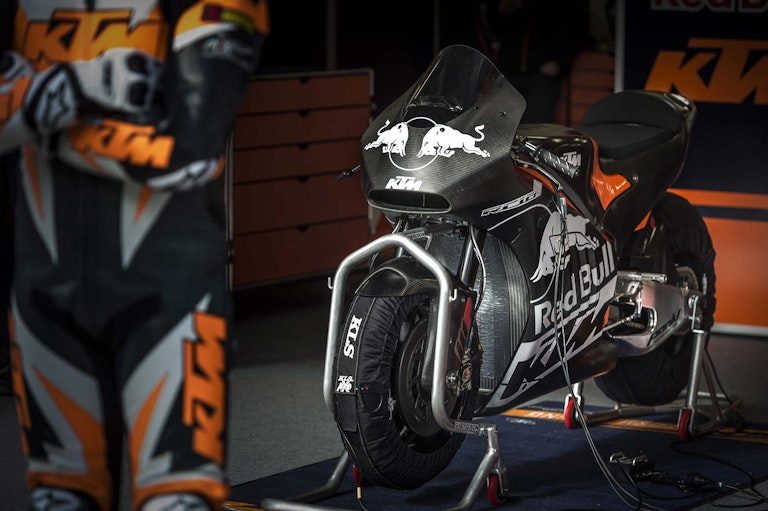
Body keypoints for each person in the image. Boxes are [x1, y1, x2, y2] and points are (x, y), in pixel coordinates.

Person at [0, 1, 269, 510]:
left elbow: (190, 149)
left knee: (178, 500)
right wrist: (81, 87)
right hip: (45, 298)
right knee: (60, 499)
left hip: (171, 302)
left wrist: (36, 106)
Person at [475, 0, 590, 123]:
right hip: (507, 74)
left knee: (535, 125)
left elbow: (577, 31)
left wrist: (559, 61)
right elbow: (494, 31)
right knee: (501, 125)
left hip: (542, 75)